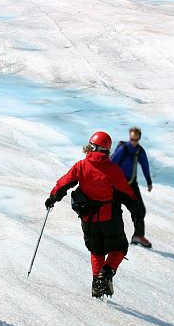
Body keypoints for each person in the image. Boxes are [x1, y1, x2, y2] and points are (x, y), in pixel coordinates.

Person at [45, 132, 138, 298]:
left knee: (97, 250)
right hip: (111, 218)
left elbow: (64, 183)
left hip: (88, 218)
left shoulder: (81, 166)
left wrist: (53, 198)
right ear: (107, 150)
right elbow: (127, 194)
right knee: (119, 247)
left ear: (91, 146)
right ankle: (107, 273)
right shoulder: (113, 170)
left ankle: (97, 285)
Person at [110, 127, 153, 248]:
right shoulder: (123, 149)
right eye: (132, 139)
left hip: (131, 183)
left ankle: (138, 236)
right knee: (115, 212)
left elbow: (145, 165)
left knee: (139, 210)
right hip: (118, 184)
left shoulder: (139, 150)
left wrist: (149, 181)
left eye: (136, 139)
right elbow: (112, 164)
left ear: (139, 138)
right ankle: (114, 238)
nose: (133, 141)